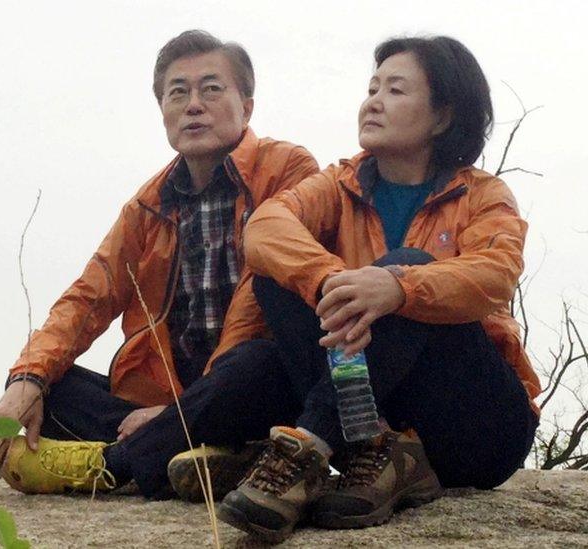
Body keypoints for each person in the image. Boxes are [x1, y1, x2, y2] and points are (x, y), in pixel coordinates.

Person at [214, 36, 541, 544]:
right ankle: (378, 448)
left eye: (395, 89)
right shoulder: (338, 183)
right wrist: (329, 280)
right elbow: (265, 227)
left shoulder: (483, 194)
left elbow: (496, 272)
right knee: (278, 278)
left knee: (406, 267)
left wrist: (398, 286)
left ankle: (310, 443)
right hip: (372, 423)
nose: (373, 100)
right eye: (372, 87)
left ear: (442, 116)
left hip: (477, 427)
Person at [0, 29, 319, 498]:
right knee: (47, 388)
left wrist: (181, 411)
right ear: (162, 110)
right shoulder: (148, 206)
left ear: (246, 106)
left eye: (211, 89)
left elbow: (257, 305)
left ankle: (117, 463)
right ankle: (203, 456)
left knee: (257, 364)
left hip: (250, 386)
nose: (193, 105)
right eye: (177, 92)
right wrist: (27, 378)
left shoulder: (288, 169)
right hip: (169, 399)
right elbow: (88, 296)